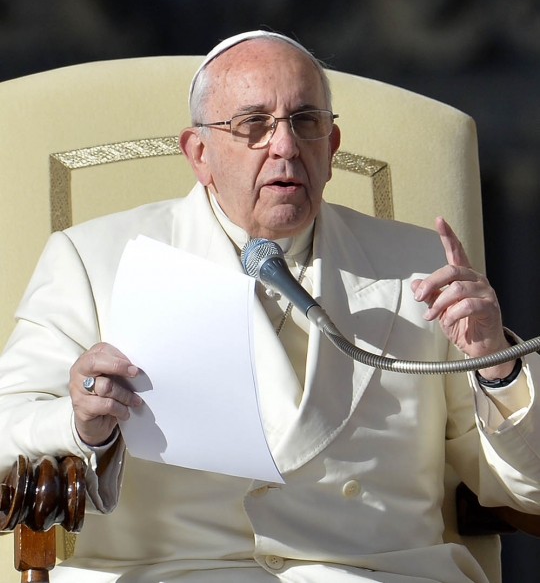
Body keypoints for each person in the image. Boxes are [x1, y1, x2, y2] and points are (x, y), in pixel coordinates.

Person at [0, 30, 539, 583]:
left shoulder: (420, 268)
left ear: (330, 149)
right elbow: (5, 430)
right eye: (253, 125)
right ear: (199, 154)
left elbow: (530, 487)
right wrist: (84, 424)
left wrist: (497, 365)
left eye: (305, 122)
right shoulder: (95, 259)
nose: (284, 146)